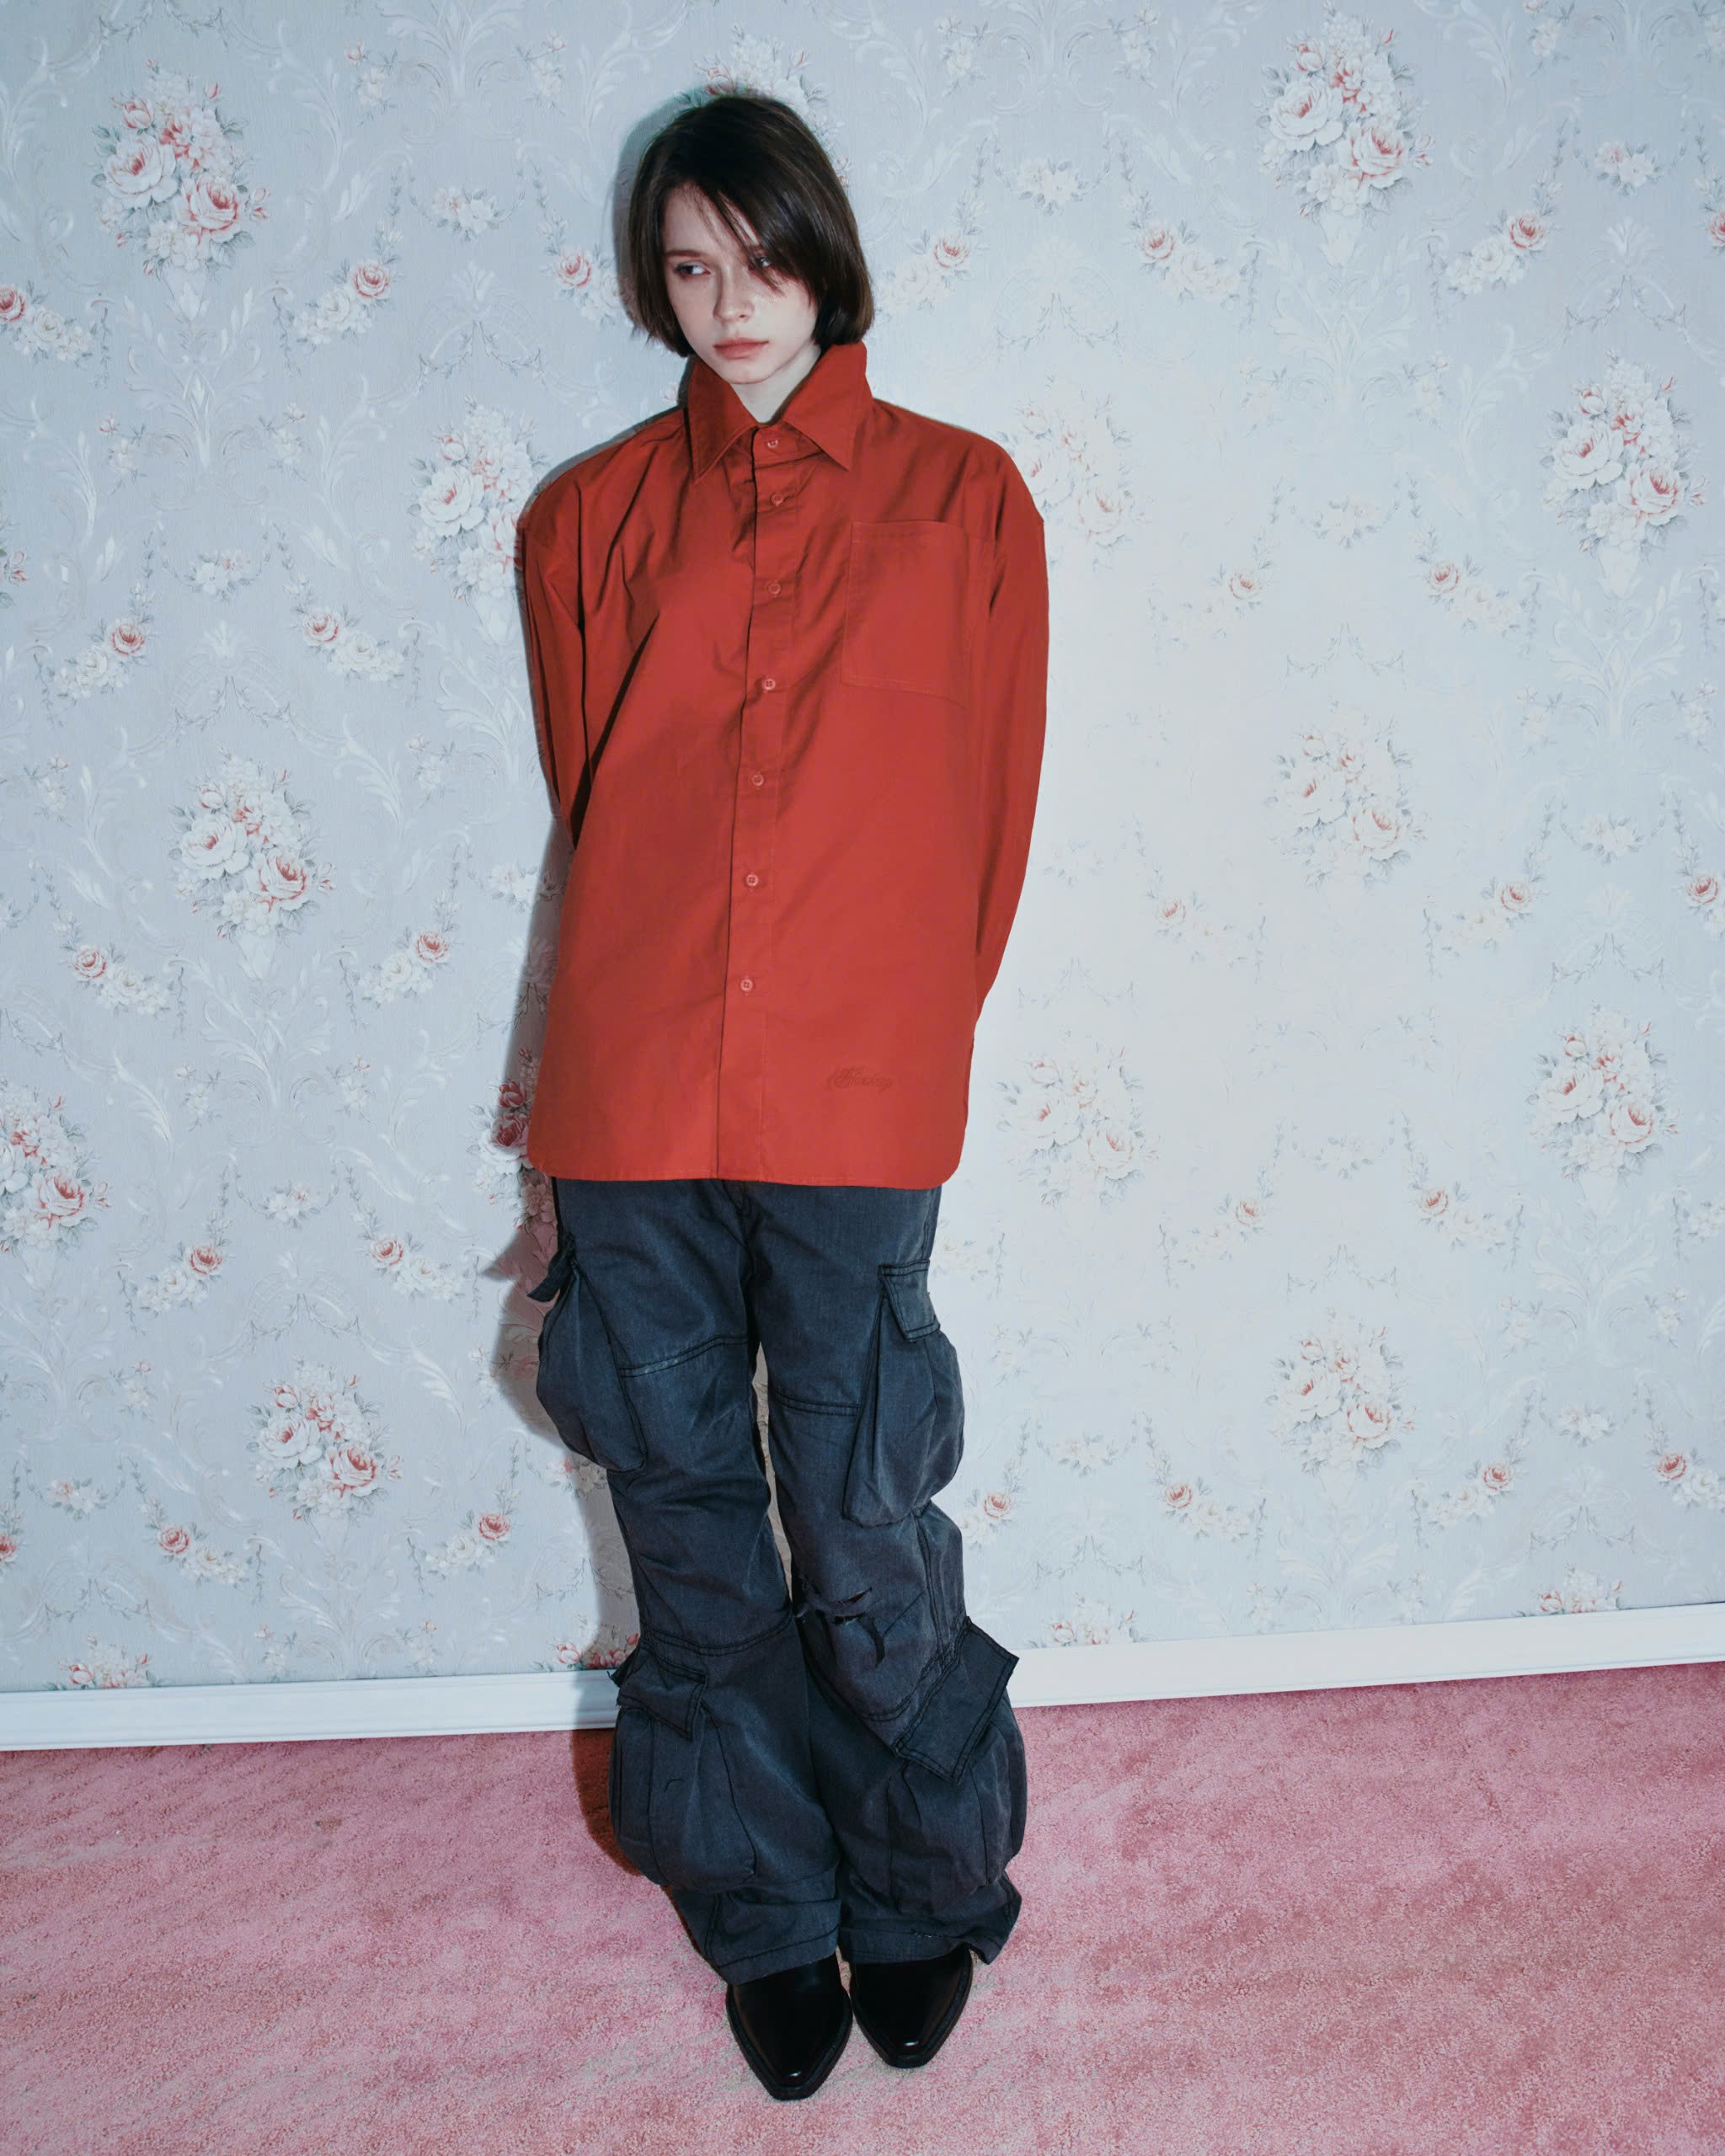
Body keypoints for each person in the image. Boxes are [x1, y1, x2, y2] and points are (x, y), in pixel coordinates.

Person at [517, 89, 1048, 2102]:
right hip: (635, 1087)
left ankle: (918, 1880)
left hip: (855, 1085)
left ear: (826, 253)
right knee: (686, 1518)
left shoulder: (965, 501)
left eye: (759, 257)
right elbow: (599, 804)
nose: (728, 303)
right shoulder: (585, 519)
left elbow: (987, 817)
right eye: (687, 268)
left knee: (859, 1506)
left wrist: (895, 1037)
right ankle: (757, 1903)